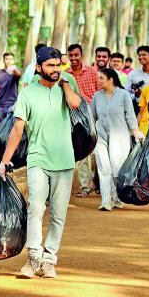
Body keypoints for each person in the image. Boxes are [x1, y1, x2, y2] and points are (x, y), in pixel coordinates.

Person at [0, 47, 81, 279]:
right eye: (51, 65)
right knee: (36, 208)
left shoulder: (67, 85)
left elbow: (75, 104)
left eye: (58, 65)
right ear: (38, 68)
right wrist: (4, 162)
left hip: (64, 160)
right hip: (38, 159)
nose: (55, 69)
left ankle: (49, 260)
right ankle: (33, 257)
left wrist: (64, 83)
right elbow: (17, 129)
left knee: (59, 214)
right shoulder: (28, 93)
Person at [91, 68, 145, 211]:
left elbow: (130, 115)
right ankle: (105, 201)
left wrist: (135, 131)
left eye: (101, 78)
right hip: (100, 136)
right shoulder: (97, 96)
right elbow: (92, 117)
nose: (99, 80)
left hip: (119, 137)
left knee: (117, 169)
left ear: (111, 79)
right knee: (104, 167)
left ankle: (116, 198)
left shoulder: (123, 95)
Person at [66, 43, 100, 198]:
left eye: (76, 55)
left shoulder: (93, 72)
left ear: (82, 55)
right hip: (71, 119)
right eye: (70, 55)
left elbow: (99, 94)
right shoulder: (65, 74)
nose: (73, 58)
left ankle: (91, 184)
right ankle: (80, 185)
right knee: (76, 152)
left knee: (90, 153)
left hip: (90, 118)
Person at [0, 52, 22, 122]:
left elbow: (19, 74)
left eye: (11, 59)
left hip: (12, 105)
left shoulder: (15, 72)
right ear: (4, 60)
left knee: (10, 127)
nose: (9, 61)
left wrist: (13, 69)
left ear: (13, 61)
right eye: (7, 59)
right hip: (0, 106)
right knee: (0, 127)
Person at [124, 46, 149, 113]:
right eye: (139, 55)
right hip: (136, 109)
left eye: (144, 55)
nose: (141, 57)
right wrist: (135, 95)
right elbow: (125, 93)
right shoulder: (133, 74)